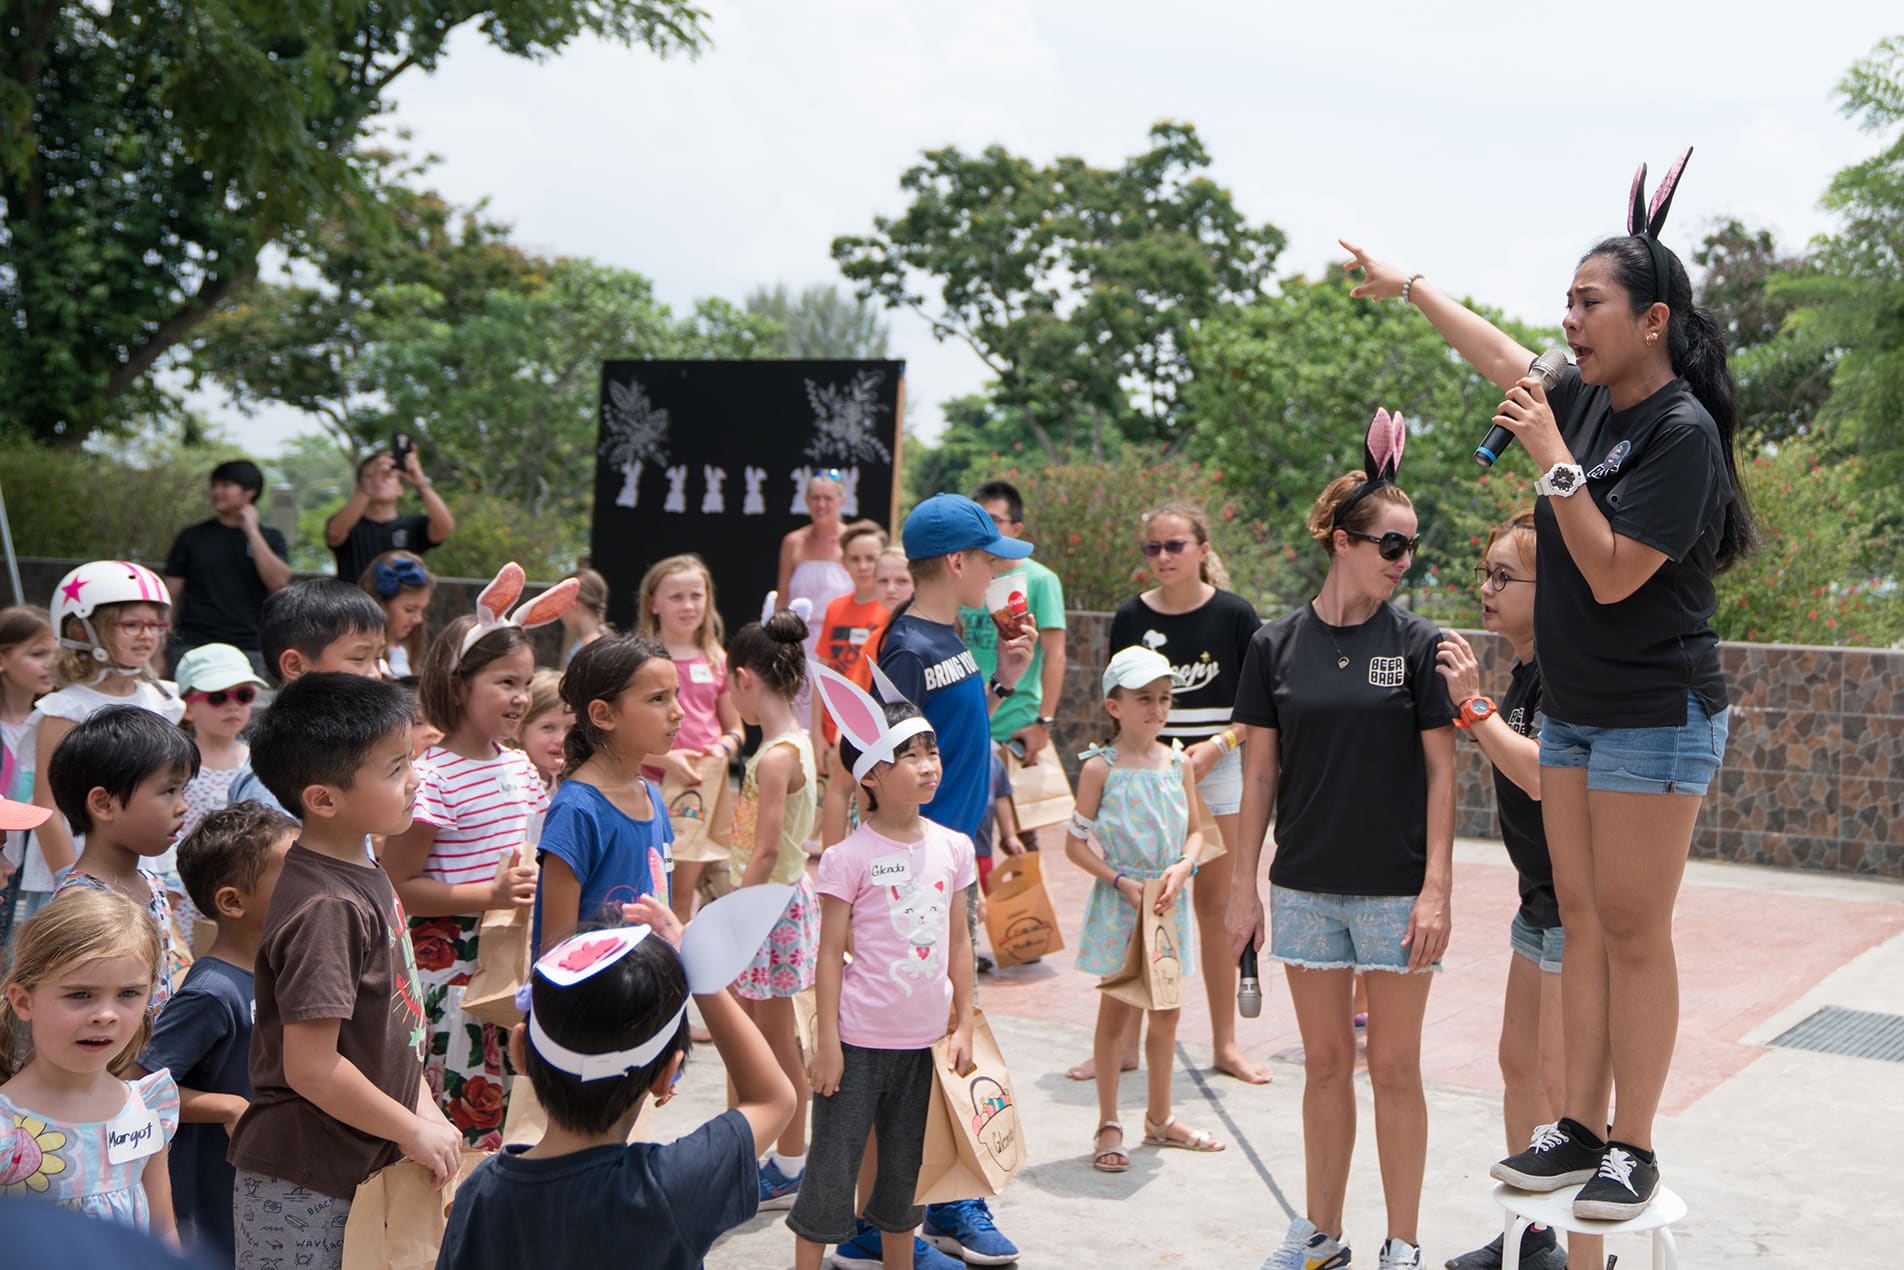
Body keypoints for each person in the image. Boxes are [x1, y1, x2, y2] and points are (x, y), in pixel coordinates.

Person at [1342, 148, 1752, 1220]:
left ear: (1650, 319)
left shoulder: (1676, 432)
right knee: (1574, 916)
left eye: (1588, 302)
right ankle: (1575, 1123)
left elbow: (1614, 574)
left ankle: (1634, 1142)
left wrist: (1552, 463)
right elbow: (1494, 355)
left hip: (1655, 715)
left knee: (1629, 925)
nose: (1566, 322)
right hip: (1572, 711)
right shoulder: (1579, 398)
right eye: (1563, 303)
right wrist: (1411, 285)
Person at [1226, 410, 1456, 1270]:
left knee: (1395, 1068)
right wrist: (1244, 888)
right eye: (1391, 545)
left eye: (1411, 546)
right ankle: (1321, 1233)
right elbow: (1257, 778)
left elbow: (1442, 776)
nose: (1405, 561)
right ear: (1342, 541)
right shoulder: (1273, 646)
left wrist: (1437, 887)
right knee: (1325, 1067)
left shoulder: (1422, 645)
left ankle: (1404, 1243)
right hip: (1307, 886)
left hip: (1398, 892)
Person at [227, 672, 460, 1270]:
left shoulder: (364, 865)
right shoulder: (328, 905)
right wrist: (411, 1130)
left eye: (410, 760)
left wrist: (425, 1116)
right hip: (309, 1181)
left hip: (359, 1168)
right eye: (395, 769)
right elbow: (312, 1066)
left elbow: (394, 1026)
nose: (416, 780)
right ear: (324, 799)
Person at [435, 896, 797, 1270]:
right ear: (666, 1074)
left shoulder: (479, 1195)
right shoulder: (669, 1187)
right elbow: (773, 1099)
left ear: (520, 1051)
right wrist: (700, 974)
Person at [874, 492, 1032, 1267]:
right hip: (920, 871)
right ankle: (907, 1212)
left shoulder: (955, 635)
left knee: (947, 1032)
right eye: (992, 557)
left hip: (952, 860)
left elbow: (958, 739)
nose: (1000, 570)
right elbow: (878, 761)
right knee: (923, 1039)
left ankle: (941, 1199)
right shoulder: (907, 644)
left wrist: (1002, 681)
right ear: (958, 562)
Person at [1074, 503, 1270, 1087]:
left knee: (1214, 911)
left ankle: (1225, 1044)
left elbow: (1262, 709)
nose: (1163, 557)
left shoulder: (1235, 615)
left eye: (1175, 545)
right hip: (1144, 776)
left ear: (1203, 549)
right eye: (1153, 548)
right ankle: (1121, 1047)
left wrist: (1218, 745)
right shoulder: (1131, 617)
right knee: (1138, 904)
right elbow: (1115, 701)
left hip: (1217, 771)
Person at [793, 669, 975, 1270]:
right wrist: (825, 1043)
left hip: (923, 1046)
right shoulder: (848, 859)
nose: (929, 765)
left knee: (902, 1180)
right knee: (831, 1172)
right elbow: (827, 954)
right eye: (911, 756)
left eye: (932, 752)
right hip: (856, 1044)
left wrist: (965, 1025)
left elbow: (959, 943)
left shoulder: (953, 847)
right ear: (870, 775)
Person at [1436, 514, 1580, 1270]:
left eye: (1503, 577)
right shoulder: (1528, 667)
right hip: (1539, 905)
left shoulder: (1566, 665)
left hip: (1576, 912)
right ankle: (1531, 1233)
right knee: (1519, 1065)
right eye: (1485, 574)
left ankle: (1586, 1246)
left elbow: (1542, 774)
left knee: (1568, 1087)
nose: (1486, 589)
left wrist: (1473, 707)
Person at [385, 569, 563, 1148]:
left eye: (526, 682)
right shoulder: (431, 777)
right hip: (452, 976)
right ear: (458, 684)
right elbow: (400, 883)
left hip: (513, 963)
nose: (520, 697)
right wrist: (487, 896)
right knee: (461, 1124)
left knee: (513, 1115)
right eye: (504, 681)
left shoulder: (518, 767)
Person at [1065, 646, 1219, 1174]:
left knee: (1168, 1013)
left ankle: (1159, 1116)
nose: (1156, 709)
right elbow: (1075, 846)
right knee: (1116, 1014)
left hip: (1167, 905)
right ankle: (1110, 1121)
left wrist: (1184, 867)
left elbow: (1197, 833)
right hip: (1122, 903)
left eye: (1164, 698)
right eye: (1144, 699)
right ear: (1114, 706)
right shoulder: (1098, 770)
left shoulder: (1179, 763)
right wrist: (1121, 881)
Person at [129, 803, 298, 1262]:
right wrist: (227, 1106)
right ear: (232, 902)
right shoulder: (212, 991)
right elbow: (136, 1088)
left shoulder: (283, 970)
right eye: (295, 873)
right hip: (214, 1203)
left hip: (272, 1189)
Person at [0, 887, 179, 1236]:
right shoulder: (6, 1127)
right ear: (24, 1002)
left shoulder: (147, 1105)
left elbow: (164, 1232)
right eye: (80, 994)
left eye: (129, 993)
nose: (106, 1014)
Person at [21, 562, 185, 921]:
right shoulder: (64, 709)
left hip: (147, 872)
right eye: (131, 625)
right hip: (78, 870)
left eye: (155, 625)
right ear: (84, 629)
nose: (147, 635)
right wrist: (72, 884)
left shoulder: (163, 702)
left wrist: (168, 873)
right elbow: (47, 808)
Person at [723, 606, 819, 1211]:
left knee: (777, 1041)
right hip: (774, 903)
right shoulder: (796, 744)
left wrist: (732, 916)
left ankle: (788, 1161)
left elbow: (764, 852)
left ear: (743, 680)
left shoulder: (777, 757)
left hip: (768, 907)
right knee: (763, 1034)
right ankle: (765, 1156)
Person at [48, 706, 200, 1013]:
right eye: (169, 790)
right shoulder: (82, 904)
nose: (183, 806)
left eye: (184, 790)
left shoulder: (152, 884)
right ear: (104, 804)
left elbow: (174, 966)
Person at [534, 635, 680, 953]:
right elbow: (555, 950)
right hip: (593, 1000)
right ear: (603, 714)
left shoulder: (651, 796)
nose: (678, 711)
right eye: (658, 699)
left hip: (651, 995)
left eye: (675, 695)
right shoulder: (576, 810)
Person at [224, 578, 390, 815]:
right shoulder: (273, 778)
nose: (375, 674)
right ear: (295, 665)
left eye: (378, 658)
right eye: (359, 659)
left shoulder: (346, 751)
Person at [636, 555, 743, 920]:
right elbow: (618, 732)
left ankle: (675, 972)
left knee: (682, 897)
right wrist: (666, 761)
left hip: (699, 792)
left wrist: (721, 749)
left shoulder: (717, 659)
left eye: (696, 596)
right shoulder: (637, 659)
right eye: (676, 596)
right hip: (645, 786)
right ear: (653, 603)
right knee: (643, 888)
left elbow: (736, 729)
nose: (688, 605)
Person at [959, 479, 1068, 769]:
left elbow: (1055, 655)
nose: (984, 529)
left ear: (1017, 528)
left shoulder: (1041, 580)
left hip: (1015, 729)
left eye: (994, 520)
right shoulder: (962, 576)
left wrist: (1043, 722)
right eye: (977, 520)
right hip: (966, 723)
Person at [161, 459, 294, 677]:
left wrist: (251, 531)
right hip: (192, 645)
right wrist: (159, 648)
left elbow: (279, 582)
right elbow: (170, 597)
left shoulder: (270, 538)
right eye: (214, 486)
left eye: (225, 486)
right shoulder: (192, 537)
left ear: (249, 491)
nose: (216, 492)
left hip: (248, 647)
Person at [164, 644, 268, 915]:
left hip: (246, 887)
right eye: (217, 697)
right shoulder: (174, 765)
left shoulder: (260, 761)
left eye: (243, 695)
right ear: (187, 707)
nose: (233, 705)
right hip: (185, 891)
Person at [816, 522, 892, 849]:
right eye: (855, 559)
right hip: (834, 723)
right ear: (843, 562)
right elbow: (825, 669)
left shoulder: (889, 609)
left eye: (871, 558)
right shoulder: (835, 608)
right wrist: (818, 732)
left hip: (870, 719)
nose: (863, 567)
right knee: (837, 789)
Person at [325, 447, 457, 584]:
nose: (379, 480)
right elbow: (334, 534)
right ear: (359, 487)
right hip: (353, 603)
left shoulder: (413, 525)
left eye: (388, 476)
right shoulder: (347, 523)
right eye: (370, 476)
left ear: (400, 488)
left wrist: (422, 485)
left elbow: (444, 528)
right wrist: (366, 492)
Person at [1, 605, 55, 921]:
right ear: (2, 658)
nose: (51, 664)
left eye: (54, 653)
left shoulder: (54, 721)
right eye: (37, 654)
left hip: (26, 864)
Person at [359, 551, 435, 680]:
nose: (419, 619)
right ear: (380, 605)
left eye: (422, 610)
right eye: (409, 610)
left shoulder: (404, 651)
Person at [516, 668, 573, 791]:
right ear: (519, 731)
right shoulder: (513, 785)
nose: (562, 739)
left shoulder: (580, 778)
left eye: (571, 728)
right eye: (548, 727)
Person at [558, 566, 612, 669]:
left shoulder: (593, 648)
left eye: (561, 603)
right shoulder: (601, 641)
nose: (559, 613)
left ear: (573, 602)